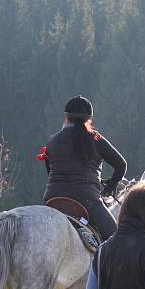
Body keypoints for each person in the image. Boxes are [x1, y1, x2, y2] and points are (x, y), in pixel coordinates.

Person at [40, 95, 127, 241]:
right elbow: (121, 165)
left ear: (66, 117)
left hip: (52, 199)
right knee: (116, 241)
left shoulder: (53, 141)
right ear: (88, 119)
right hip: (86, 201)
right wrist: (111, 185)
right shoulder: (96, 139)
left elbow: (50, 172)